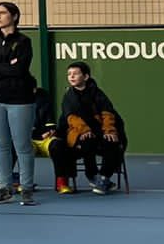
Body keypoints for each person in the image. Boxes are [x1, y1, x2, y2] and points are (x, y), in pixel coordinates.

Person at [0, 2, 39, 205]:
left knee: (22, 146)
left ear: (14, 16)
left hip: (21, 101)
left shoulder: (24, 41)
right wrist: (6, 66)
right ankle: (4, 188)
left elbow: (20, 70)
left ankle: (26, 189)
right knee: (2, 146)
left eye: (2, 13)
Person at [51, 61, 127, 193]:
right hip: (78, 133)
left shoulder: (98, 93)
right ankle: (92, 175)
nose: (71, 77)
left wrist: (109, 131)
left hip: (100, 131)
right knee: (87, 140)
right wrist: (84, 130)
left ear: (86, 77)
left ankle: (103, 178)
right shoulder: (68, 96)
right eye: (69, 74)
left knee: (112, 142)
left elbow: (108, 113)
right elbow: (71, 118)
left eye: (75, 74)